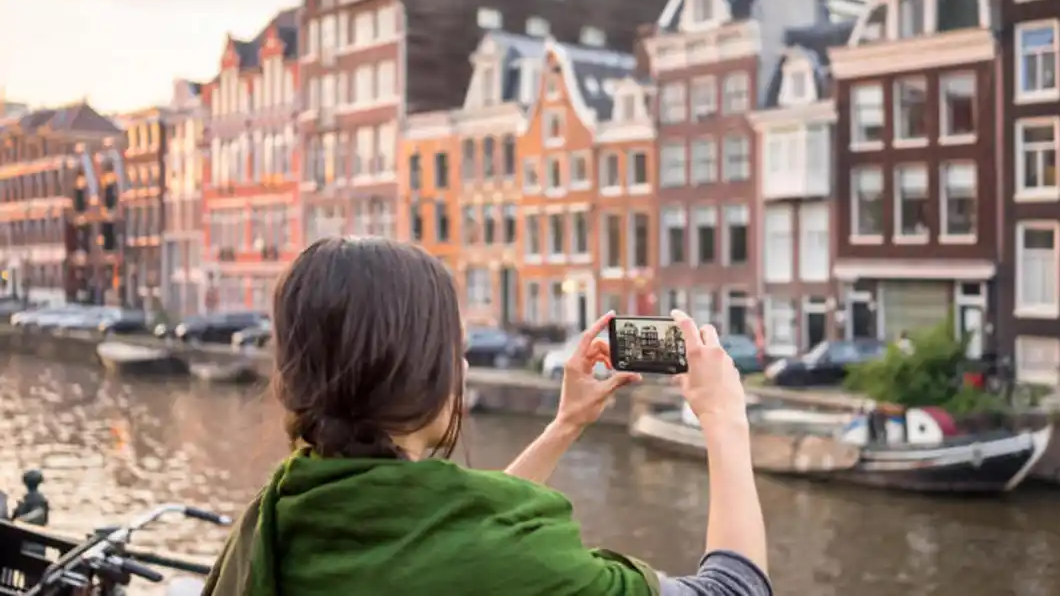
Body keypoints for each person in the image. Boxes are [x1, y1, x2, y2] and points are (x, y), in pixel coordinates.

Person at [202, 237, 771, 596]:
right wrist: (723, 418)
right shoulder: (519, 565)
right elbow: (733, 589)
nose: (466, 365)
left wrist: (563, 426)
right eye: (457, 347)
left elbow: (448, 536)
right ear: (424, 368)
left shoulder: (283, 518)